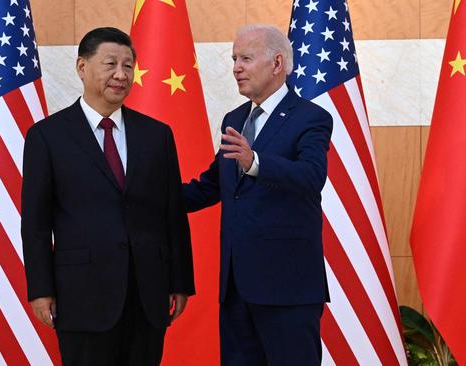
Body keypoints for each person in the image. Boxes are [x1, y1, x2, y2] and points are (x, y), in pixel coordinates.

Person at [21, 27, 194, 366]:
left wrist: (180, 281)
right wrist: (40, 289)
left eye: (128, 66)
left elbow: (172, 213)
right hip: (82, 294)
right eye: (111, 64)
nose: (121, 74)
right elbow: (36, 222)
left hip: (148, 292)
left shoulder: (157, 135)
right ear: (82, 67)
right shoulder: (47, 136)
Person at [183, 24, 333, 366]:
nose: (236, 67)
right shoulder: (234, 119)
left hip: (287, 289)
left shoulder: (311, 118)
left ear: (277, 62)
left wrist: (256, 162)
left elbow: (311, 176)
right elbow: (213, 186)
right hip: (236, 288)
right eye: (234, 58)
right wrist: (148, 193)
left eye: (246, 58)